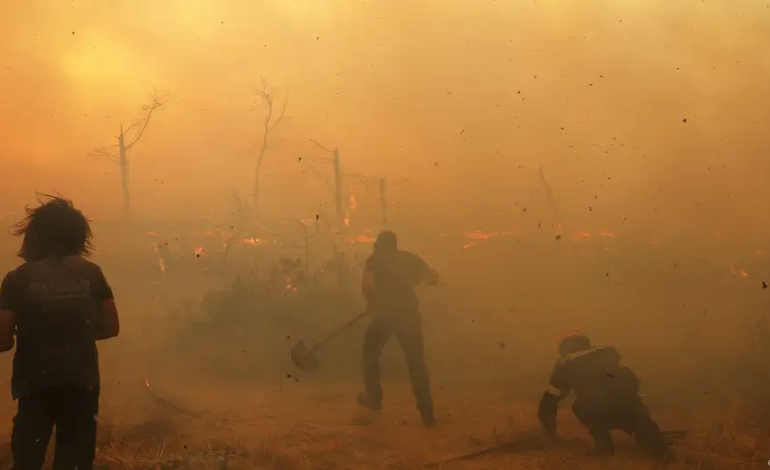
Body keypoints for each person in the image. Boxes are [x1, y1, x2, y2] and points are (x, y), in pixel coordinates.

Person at [0, 195, 120, 470]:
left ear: (34, 236)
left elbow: (3, 340)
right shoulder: (92, 273)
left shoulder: (17, 279)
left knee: (28, 459)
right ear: (79, 236)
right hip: (82, 380)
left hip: (34, 384)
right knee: (75, 460)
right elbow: (111, 327)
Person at [537, 331, 673, 460]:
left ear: (564, 347)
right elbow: (631, 378)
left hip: (596, 408)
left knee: (580, 406)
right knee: (642, 425)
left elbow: (549, 402)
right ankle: (658, 448)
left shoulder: (564, 363)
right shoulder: (607, 351)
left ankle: (604, 451)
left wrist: (549, 430)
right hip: (628, 404)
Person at [356, 230, 439, 427]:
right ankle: (427, 413)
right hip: (408, 316)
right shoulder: (408, 258)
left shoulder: (374, 261)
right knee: (416, 363)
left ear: (378, 245)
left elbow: (367, 286)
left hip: (385, 317)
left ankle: (374, 399)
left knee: (370, 353)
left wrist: (373, 302)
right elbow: (433, 277)